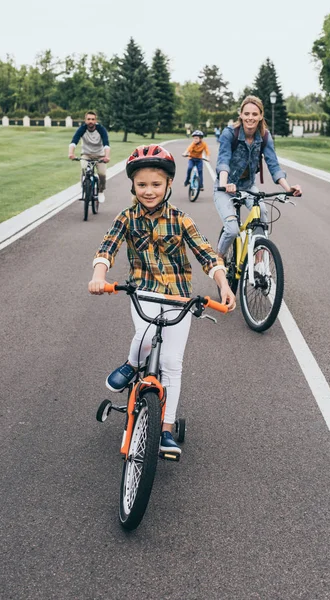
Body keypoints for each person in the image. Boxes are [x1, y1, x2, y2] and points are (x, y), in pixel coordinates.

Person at [89, 145, 236, 456]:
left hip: (179, 298)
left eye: (156, 184)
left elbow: (207, 254)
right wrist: (100, 276)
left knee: (171, 362)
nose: (149, 191)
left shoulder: (182, 220)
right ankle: (132, 365)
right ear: (133, 186)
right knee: (143, 338)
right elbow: (108, 247)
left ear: (169, 185)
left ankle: (165, 430)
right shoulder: (127, 217)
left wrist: (223, 285)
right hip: (143, 292)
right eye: (142, 185)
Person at [214, 95, 302, 260]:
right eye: (246, 114)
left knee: (262, 214)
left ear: (261, 116)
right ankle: (218, 258)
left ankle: (259, 260)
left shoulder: (265, 137)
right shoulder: (229, 133)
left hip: (247, 187)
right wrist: (225, 184)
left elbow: (273, 165)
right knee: (232, 229)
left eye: (254, 114)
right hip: (225, 187)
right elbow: (223, 160)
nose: (250, 118)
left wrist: (288, 188)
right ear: (240, 114)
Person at [68, 111, 110, 203]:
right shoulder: (82, 129)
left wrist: (107, 156)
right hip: (86, 154)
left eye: (92, 119)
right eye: (88, 119)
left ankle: (101, 191)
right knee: (83, 168)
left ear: (95, 120)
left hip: (100, 155)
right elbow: (74, 141)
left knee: (102, 174)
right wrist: (71, 153)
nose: (90, 121)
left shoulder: (101, 129)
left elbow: (106, 144)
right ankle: (83, 189)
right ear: (85, 120)